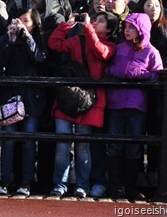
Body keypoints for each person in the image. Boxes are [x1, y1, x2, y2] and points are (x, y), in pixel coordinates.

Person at [47, 12, 118, 198]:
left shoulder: (110, 45)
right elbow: (54, 44)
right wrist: (66, 25)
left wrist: (87, 28)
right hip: (68, 98)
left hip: (90, 102)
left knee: (82, 146)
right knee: (62, 145)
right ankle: (59, 185)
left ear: (109, 29)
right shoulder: (78, 40)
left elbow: (100, 52)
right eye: (94, 20)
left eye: (100, 22)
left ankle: (82, 185)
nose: (95, 23)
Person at [105, 12, 163, 200]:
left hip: (137, 106)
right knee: (114, 146)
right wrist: (115, 71)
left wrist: (140, 74)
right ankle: (115, 186)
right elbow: (107, 69)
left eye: (131, 27)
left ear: (141, 30)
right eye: (126, 27)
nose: (127, 30)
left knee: (133, 147)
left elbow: (159, 75)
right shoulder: (119, 48)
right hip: (116, 103)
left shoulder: (151, 52)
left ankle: (129, 186)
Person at [0, 8, 47, 197]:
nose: (21, 25)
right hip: (10, 97)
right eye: (18, 21)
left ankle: (26, 183)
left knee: (28, 141)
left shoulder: (38, 39)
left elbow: (39, 58)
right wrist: (10, 41)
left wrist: (26, 38)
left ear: (34, 23)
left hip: (31, 98)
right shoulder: (9, 40)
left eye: (26, 21)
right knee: (8, 141)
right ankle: (5, 182)